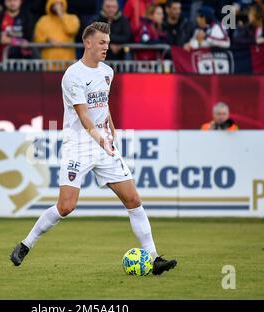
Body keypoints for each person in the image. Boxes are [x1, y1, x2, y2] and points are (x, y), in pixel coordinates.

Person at [10, 22, 178, 276]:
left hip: (103, 144)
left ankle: (154, 259)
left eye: (108, 44)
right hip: (79, 145)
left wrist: (112, 130)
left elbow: (103, 106)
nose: (106, 48)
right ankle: (25, 244)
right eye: (101, 43)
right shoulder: (73, 75)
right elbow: (83, 114)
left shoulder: (107, 72)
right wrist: (100, 138)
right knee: (66, 206)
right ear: (87, 42)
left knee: (133, 200)